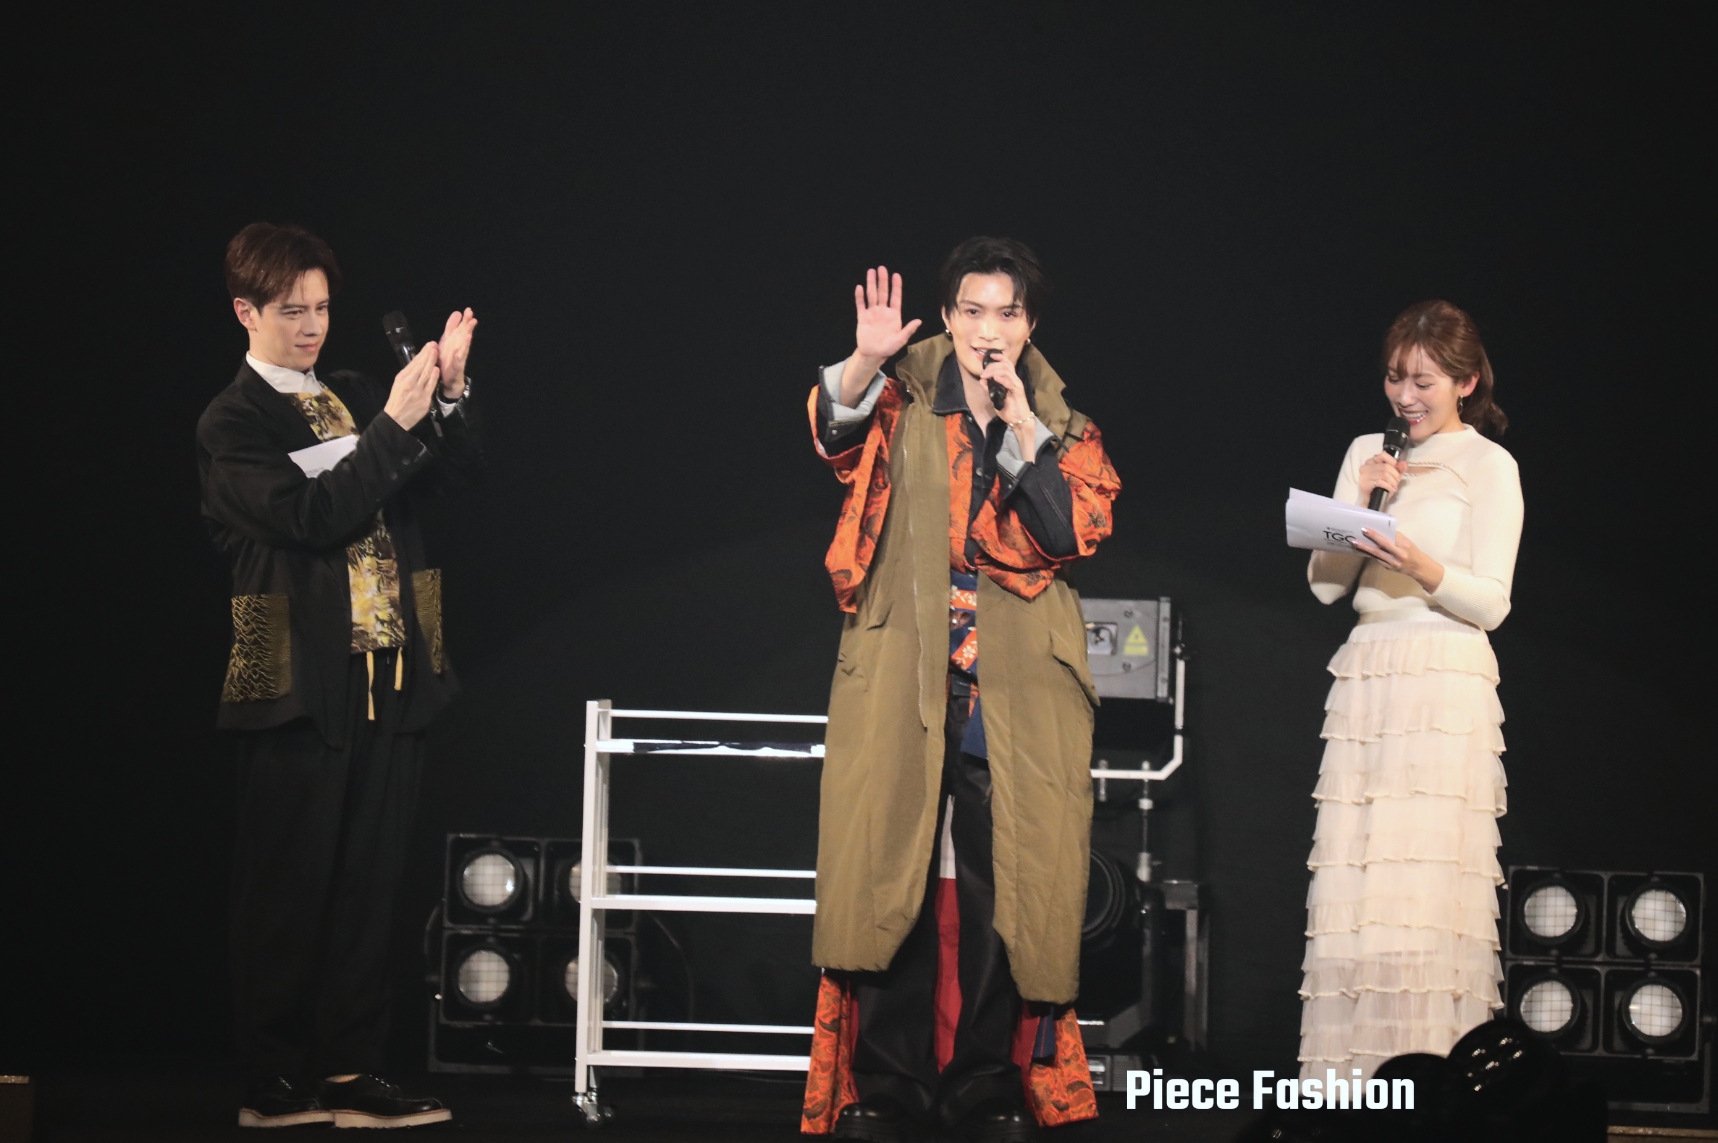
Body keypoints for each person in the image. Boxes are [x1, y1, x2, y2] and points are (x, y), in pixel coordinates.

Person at [797, 238, 1120, 1143]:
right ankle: (889, 1080)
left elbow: (1068, 531)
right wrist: (861, 359)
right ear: (946, 317)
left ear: (1030, 325)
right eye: (972, 311)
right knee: (887, 866)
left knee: (1001, 882)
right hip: (904, 668)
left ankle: (985, 1079)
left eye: (1007, 313)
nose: (988, 331)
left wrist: (1022, 429)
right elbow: (833, 434)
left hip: (1015, 685)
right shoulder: (900, 392)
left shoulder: (1059, 420)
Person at [197, 222, 483, 1128]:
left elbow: (456, 479)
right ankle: (272, 1074)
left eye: (322, 308)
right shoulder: (232, 422)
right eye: (293, 311)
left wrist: (448, 396)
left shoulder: (357, 391)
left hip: (393, 664)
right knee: (286, 886)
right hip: (292, 673)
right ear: (246, 312)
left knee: (371, 882)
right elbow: (313, 516)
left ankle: (354, 1070)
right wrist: (394, 427)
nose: (313, 326)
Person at [1298, 300, 1524, 1080]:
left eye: (1423, 381)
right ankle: (1349, 1085)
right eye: (1396, 378)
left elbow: (1492, 602)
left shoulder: (1489, 465)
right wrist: (1358, 504)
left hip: (1443, 672)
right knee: (1358, 877)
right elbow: (1325, 586)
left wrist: (1422, 564)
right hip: (1369, 670)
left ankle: (1428, 1083)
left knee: (1422, 885)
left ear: (1465, 382)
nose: (1405, 396)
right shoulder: (1368, 452)